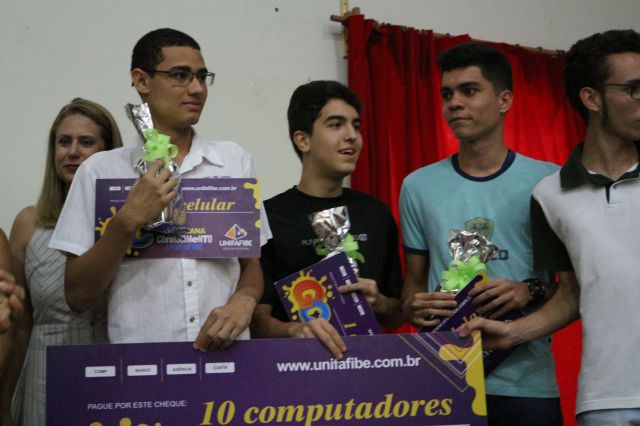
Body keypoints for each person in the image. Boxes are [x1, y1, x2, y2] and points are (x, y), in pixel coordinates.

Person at [458, 30, 640, 425]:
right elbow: (572, 293)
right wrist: (514, 332)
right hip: (606, 400)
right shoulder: (550, 194)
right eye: (634, 90)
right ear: (592, 98)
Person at [50, 28, 271, 349]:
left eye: (202, 76)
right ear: (142, 80)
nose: (197, 88)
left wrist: (244, 301)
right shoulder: (99, 171)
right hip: (140, 363)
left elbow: (251, 266)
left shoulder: (234, 161)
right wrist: (126, 221)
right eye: (180, 75)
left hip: (226, 357)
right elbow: (77, 296)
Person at [399, 43, 561, 425]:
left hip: (527, 385)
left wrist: (529, 290)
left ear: (504, 100)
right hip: (446, 379)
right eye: (447, 94)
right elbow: (411, 290)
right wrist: (414, 307)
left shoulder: (548, 181)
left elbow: (575, 291)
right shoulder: (417, 186)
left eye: (469, 91)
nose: (455, 103)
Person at [251, 81, 403, 359]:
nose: (352, 136)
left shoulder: (376, 214)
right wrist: (295, 330)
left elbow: (397, 314)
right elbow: (257, 322)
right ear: (303, 140)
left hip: (368, 367)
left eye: (356, 126)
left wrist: (379, 302)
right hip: (294, 370)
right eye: (336, 125)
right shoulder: (269, 216)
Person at [1, 98, 123, 426]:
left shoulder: (129, 225)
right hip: (45, 374)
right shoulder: (29, 223)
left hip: (116, 372)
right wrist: (5, 404)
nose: (73, 152)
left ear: (109, 152)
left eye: (86, 142)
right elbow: (19, 323)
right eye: (64, 141)